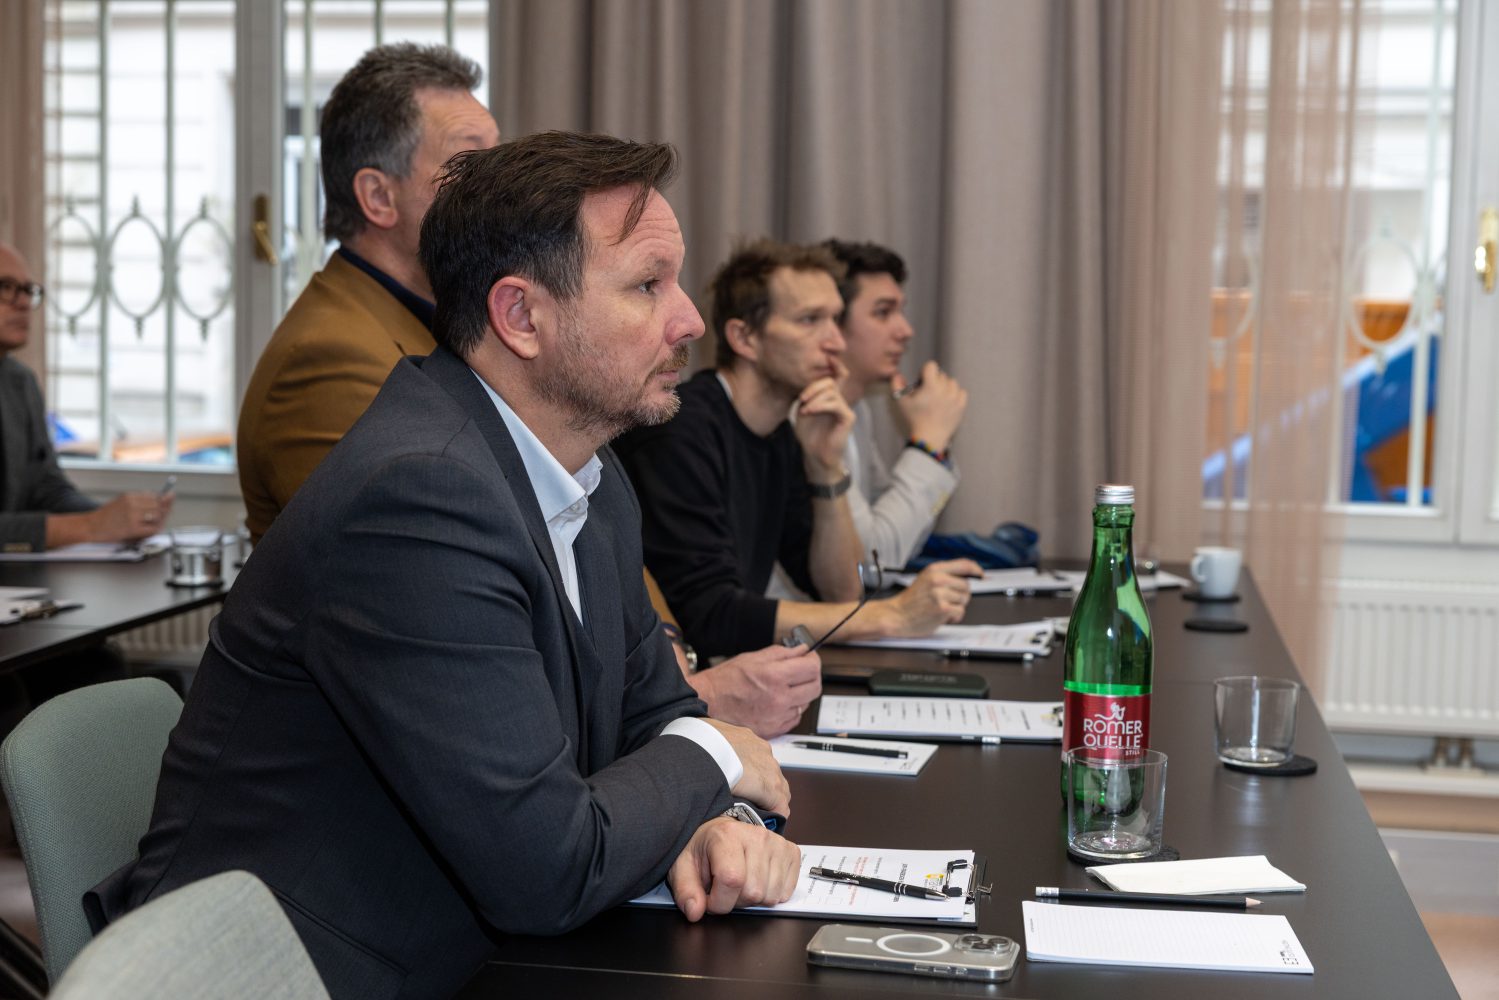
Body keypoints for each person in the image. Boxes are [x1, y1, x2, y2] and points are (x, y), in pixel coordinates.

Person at [87, 132, 802, 1000]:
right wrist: (719, 754)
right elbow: (549, 868)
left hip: (463, 946)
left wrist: (720, 819)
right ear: (520, 316)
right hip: (292, 973)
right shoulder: (419, 498)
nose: (688, 319)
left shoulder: (589, 473)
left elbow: (654, 715)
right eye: (647, 286)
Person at [615, 240, 980, 660]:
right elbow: (711, 617)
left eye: (836, 320)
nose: (836, 342)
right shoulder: (681, 429)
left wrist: (826, 466)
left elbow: (839, 589)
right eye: (810, 320)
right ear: (744, 338)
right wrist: (892, 615)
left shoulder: (781, 434)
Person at [237, 42, 500, 542]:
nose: (503, 187)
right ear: (379, 197)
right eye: (470, 163)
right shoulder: (326, 362)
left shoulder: (446, 317)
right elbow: (438, 553)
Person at [0, 241, 172, 552]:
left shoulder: (20, 382)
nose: (23, 302)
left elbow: (48, 489)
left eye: (27, 290)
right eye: (6, 287)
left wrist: (118, 519)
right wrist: (93, 526)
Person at [822, 238, 967, 568]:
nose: (906, 330)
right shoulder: (809, 416)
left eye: (900, 311)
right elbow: (872, 563)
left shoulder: (858, 410)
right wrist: (929, 445)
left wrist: (933, 447)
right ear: (833, 323)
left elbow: (901, 542)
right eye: (883, 312)